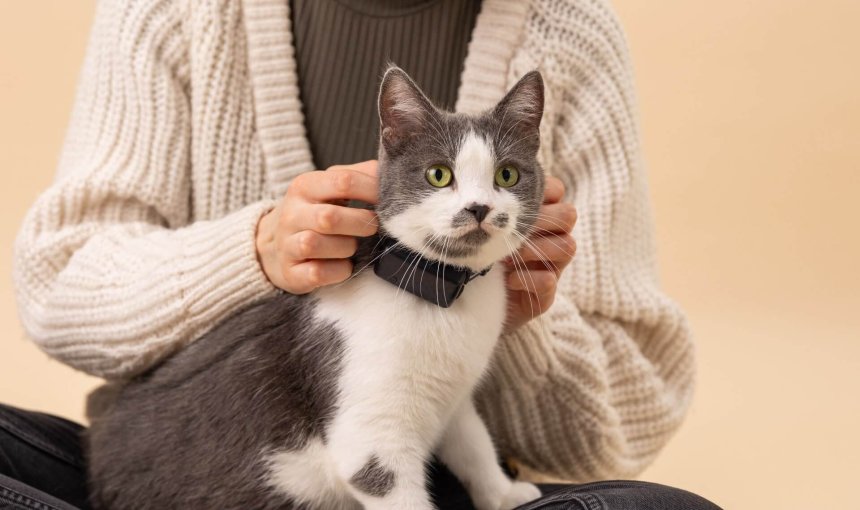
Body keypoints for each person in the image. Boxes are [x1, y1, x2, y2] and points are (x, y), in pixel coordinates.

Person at [2, 0, 719, 509]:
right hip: (182, 469)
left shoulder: (571, 29)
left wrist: (518, 319)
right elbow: (60, 280)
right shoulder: (173, 9)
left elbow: (628, 420)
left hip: (427, 480)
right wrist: (254, 249)